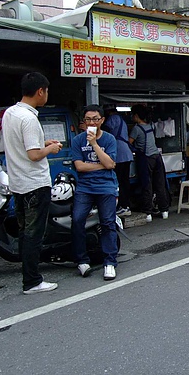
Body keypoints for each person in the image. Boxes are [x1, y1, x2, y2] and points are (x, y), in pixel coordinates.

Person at [1, 72, 62, 294]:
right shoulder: (29, 118)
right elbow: (35, 155)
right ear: (40, 91)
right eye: (47, 91)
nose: (47, 95)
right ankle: (32, 281)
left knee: (25, 232)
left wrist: (42, 142)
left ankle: (30, 278)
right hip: (34, 184)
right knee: (34, 234)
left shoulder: (11, 113)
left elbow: (20, 143)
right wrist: (51, 148)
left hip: (18, 184)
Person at [71, 104, 119, 281]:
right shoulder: (77, 140)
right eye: (88, 119)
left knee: (108, 222)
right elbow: (79, 166)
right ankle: (82, 261)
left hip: (106, 186)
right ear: (83, 121)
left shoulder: (109, 139)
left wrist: (93, 144)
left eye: (95, 119)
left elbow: (110, 164)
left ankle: (110, 262)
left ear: (102, 121)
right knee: (77, 220)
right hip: (84, 187)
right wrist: (102, 165)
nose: (91, 122)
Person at [129, 104, 170, 222]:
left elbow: (129, 142)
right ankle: (164, 210)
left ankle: (148, 213)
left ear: (136, 116)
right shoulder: (150, 125)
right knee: (160, 184)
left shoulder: (137, 128)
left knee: (147, 185)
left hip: (146, 158)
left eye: (132, 115)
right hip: (157, 157)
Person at [102, 104, 133, 217]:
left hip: (119, 154)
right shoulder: (121, 120)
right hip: (125, 153)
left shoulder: (113, 119)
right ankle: (126, 205)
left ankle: (123, 206)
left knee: (120, 182)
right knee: (124, 181)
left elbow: (106, 130)